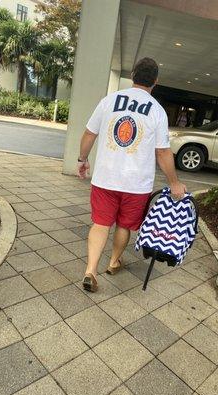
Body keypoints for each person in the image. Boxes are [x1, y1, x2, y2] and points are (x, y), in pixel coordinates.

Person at [77, 57, 186, 292]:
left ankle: (90, 270)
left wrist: (82, 160)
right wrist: (174, 182)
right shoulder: (157, 111)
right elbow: (163, 152)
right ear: (155, 81)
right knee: (124, 226)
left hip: (106, 178)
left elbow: (88, 134)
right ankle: (114, 261)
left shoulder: (109, 101)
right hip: (137, 184)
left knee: (100, 224)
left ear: (133, 75)